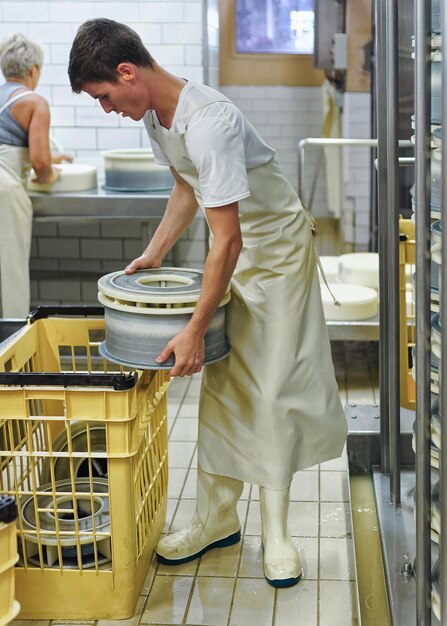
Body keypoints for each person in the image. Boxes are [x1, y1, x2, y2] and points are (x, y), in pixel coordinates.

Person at [68, 18, 348, 588]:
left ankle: (276, 533)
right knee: (223, 383)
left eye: (103, 97)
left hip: (277, 257)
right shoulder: (155, 117)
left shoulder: (209, 122)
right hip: (237, 255)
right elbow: (186, 190)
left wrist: (194, 328)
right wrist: (153, 254)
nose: (106, 109)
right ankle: (216, 517)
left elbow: (231, 238)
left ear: (127, 72)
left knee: (272, 388)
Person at [0, 33, 71, 318]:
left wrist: (53, 157)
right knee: (10, 273)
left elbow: (11, 145)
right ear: (33, 70)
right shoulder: (34, 102)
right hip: (4, 192)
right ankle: (11, 351)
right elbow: (40, 165)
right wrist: (50, 173)